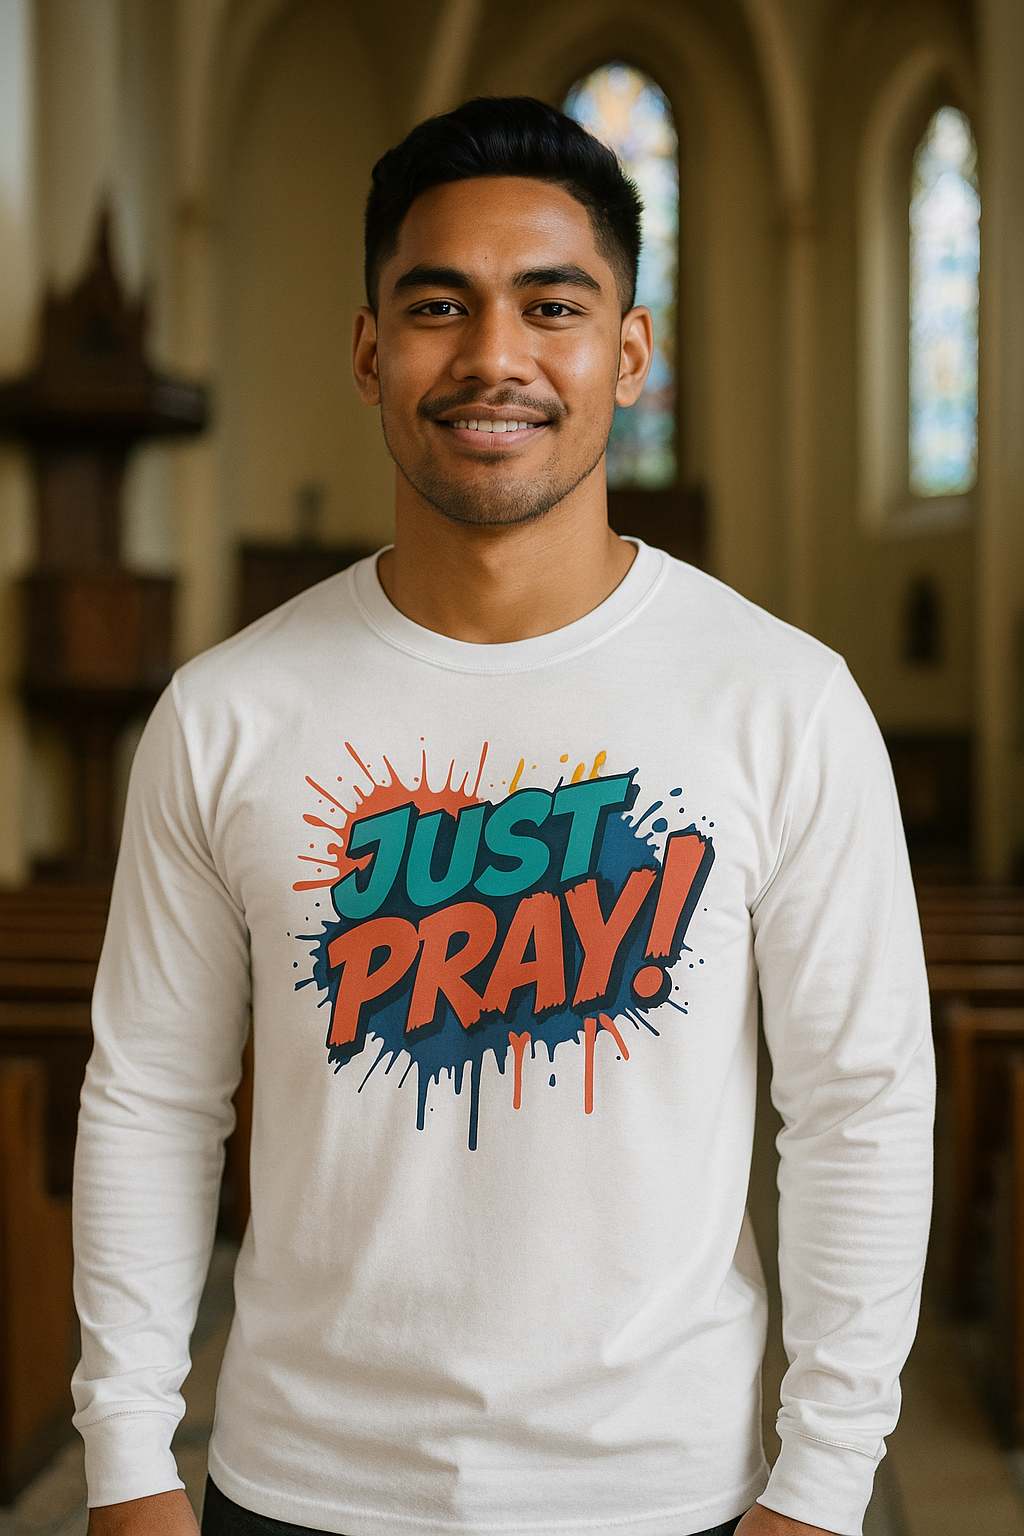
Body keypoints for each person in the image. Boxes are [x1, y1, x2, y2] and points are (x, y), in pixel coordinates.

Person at [72, 97, 934, 1536]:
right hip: (302, 1483)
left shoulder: (784, 701)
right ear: (369, 352)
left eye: (553, 305)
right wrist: (126, 1461)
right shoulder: (226, 714)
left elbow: (861, 1103)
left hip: (665, 1487)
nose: (493, 356)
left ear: (630, 353)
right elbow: (153, 1095)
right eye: (438, 305)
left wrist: (827, 1482)